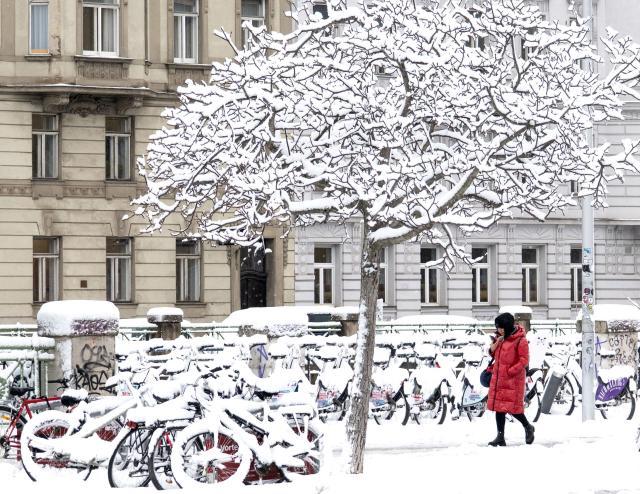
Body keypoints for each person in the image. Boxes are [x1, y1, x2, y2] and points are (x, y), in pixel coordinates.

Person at [487, 312, 535, 446]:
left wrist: (510, 371)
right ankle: (500, 437)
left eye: (501, 327)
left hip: (513, 380)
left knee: (514, 409)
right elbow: (492, 353)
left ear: (507, 327)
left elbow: (524, 360)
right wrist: (497, 342)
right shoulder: (501, 338)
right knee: (499, 408)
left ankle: (528, 427)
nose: (499, 330)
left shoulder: (520, 340)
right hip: (499, 378)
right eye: (498, 327)